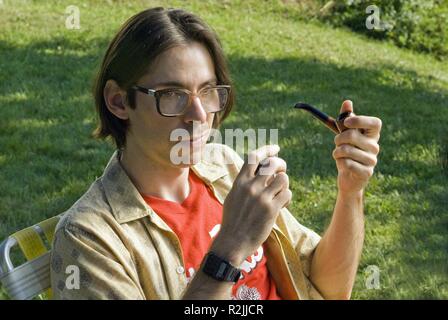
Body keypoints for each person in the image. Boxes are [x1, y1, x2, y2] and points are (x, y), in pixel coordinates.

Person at [50, 7, 382, 300]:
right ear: (119, 101)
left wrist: (351, 190)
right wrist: (231, 246)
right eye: (172, 95)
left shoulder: (224, 166)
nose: (199, 115)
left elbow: (329, 288)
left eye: (207, 91)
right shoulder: (89, 238)